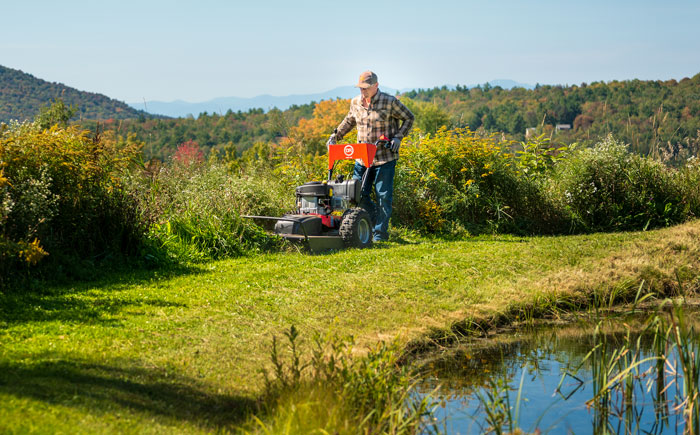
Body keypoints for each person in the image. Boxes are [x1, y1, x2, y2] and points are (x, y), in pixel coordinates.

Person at [327, 71, 414, 242]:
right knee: (357, 195)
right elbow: (349, 121)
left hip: (384, 157)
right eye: (360, 88)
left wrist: (398, 137)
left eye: (366, 88)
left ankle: (380, 234)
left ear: (376, 86)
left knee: (383, 196)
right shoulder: (356, 103)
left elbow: (409, 118)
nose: (363, 91)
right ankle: (373, 221)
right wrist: (335, 136)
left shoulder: (389, 102)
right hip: (362, 157)